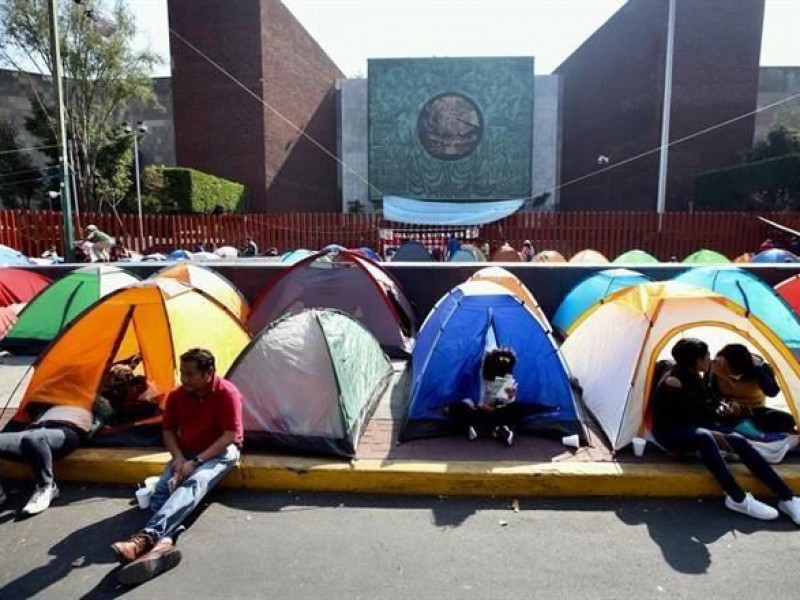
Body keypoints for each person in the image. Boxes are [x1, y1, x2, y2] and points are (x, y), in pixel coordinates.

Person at [111, 348, 243, 586]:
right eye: (182, 373)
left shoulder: (227, 393)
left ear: (208, 373)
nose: (184, 380)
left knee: (195, 482)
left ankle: (145, 538)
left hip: (220, 451)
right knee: (163, 490)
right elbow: (168, 430)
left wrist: (197, 462)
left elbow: (229, 436)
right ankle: (164, 544)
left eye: (190, 374)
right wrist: (179, 458)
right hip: (187, 452)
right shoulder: (177, 396)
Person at [651, 338, 800, 524]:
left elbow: (704, 407)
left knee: (738, 440)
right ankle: (736, 497)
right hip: (671, 432)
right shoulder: (674, 381)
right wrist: (716, 423)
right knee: (705, 437)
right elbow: (687, 417)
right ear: (696, 360)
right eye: (706, 356)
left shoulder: (695, 377)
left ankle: (787, 497)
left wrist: (722, 409)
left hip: (694, 426)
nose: (710, 360)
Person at [0, 356, 151, 516]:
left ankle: (46, 487)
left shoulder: (101, 404)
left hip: (67, 432)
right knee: (31, 438)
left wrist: (124, 374)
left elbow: (120, 401)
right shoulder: (58, 398)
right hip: (36, 429)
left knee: (35, 439)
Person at [708, 344, 796, 435]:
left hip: (754, 412)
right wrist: (726, 403)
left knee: (787, 420)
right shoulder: (714, 367)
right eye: (721, 364)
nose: (723, 369)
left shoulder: (760, 369)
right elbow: (710, 392)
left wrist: (759, 373)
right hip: (727, 410)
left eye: (727, 367)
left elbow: (772, 392)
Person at [442, 348, 523, 446]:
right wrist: (481, 405)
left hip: (493, 409)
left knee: (515, 409)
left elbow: (504, 400)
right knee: (457, 408)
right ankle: (497, 429)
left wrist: (510, 397)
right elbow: (469, 395)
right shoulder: (477, 373)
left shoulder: (505, 375)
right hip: (476, 408)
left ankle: (483, 429)